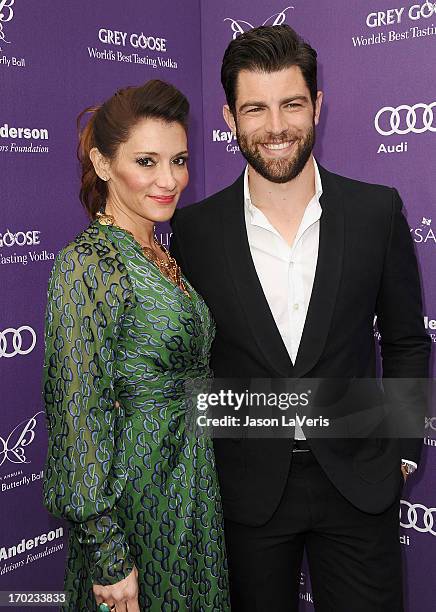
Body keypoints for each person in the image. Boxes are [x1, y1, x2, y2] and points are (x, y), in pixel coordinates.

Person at [170, 25, 431, 611]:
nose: (276, 126)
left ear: (317, 105)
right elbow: (189, 364)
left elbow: (407, 339)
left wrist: (404, 448)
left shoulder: (376, 210)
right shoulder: (195, 231)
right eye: (255, 109)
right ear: (230, 118)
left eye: (291, 103)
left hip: (360, 482)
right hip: (245, 492)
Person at [42, 80, 230, 612]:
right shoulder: (90, 263)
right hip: (134, 506)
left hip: (191, 492)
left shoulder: (159, 254)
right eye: (146, 161)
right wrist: (106, 552)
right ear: (104, 164)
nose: (169, 180)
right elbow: (77, 410)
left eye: (179, 160)